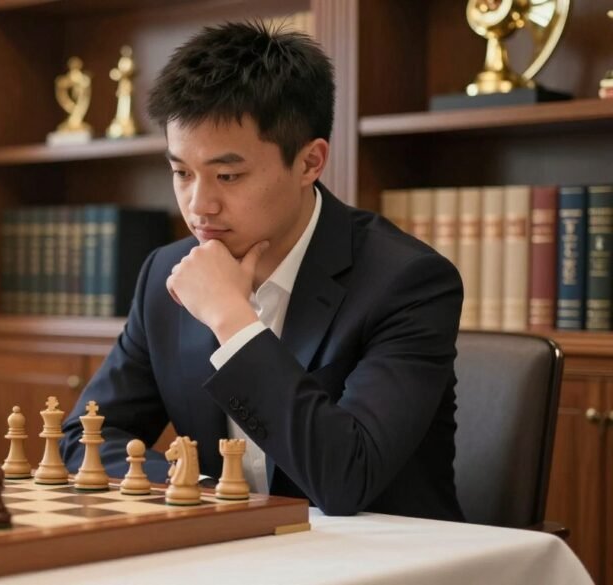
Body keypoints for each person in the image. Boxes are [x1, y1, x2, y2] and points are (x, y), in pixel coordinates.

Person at [58, 21, 465, 521]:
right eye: (182, 172)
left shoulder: (408, 282)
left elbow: (346, 479)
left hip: (386, 562)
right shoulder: (167, 273)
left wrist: (233, 321)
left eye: (228, 175)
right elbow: (84, 439)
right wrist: (202, 490)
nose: (198, 205)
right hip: (228, 554)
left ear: (310, 162)